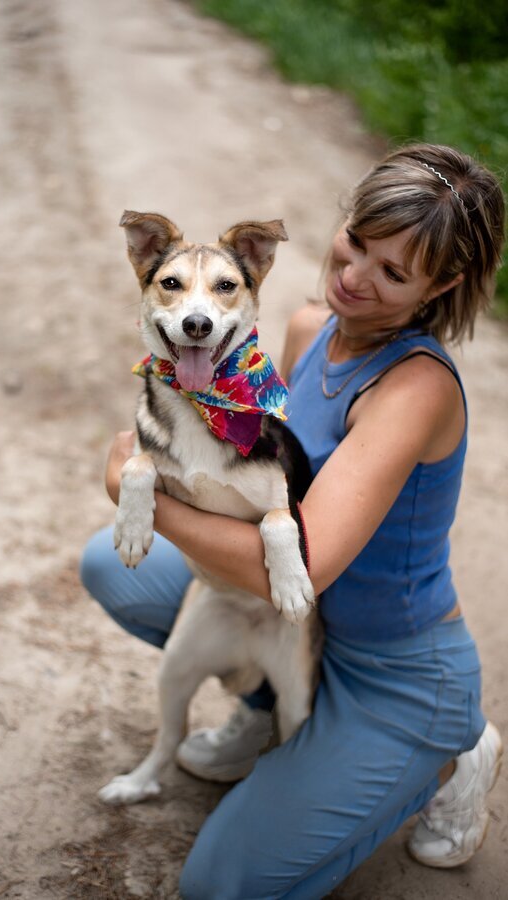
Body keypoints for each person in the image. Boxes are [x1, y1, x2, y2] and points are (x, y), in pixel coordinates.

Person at [80, 143, 506, 899]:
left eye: (392, 272)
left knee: (221, 885)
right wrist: (153, 461)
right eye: (355, 243)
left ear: (442, 285)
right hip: (301, 623)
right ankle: (266, 702)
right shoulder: (312, 327)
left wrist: (139, 492)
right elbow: (242, 460)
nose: (352, 277)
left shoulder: (414, 388)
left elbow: (302, 561)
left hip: (387, 669)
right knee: (115, 564)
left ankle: (450, 752)